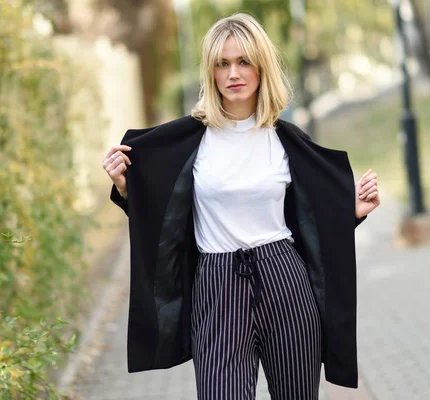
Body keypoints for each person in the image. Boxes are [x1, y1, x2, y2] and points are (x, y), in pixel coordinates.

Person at [102, 12, 380, 400]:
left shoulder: (286, 141)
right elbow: (162, 218)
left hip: (285, 280)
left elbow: (309, 220)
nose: (234, 73)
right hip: (217, 287)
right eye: (223, 63)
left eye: (244, 61)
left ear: (261, 67)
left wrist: (350, 212)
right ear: (211, 73)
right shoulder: (189, 142)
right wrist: (126, 189)